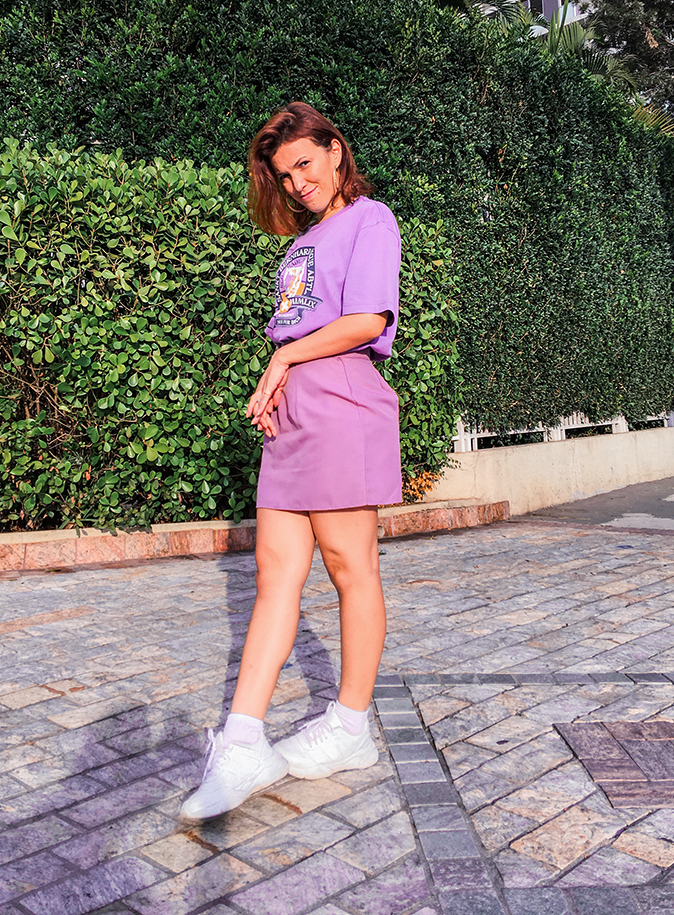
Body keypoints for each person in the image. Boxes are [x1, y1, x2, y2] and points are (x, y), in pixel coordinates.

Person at [182, 102, 402, 821]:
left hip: (342, 405)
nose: (297, 181)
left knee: (349, 567)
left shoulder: (371, 220)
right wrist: (277, 381)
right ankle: (242, 739)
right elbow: (299, 328)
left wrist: (281, 360)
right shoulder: (300, 243)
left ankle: (351, 725)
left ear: (335, 151)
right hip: (295, 415)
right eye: (284, 174)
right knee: (274, 575)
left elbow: (367, 320)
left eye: (305, 163)